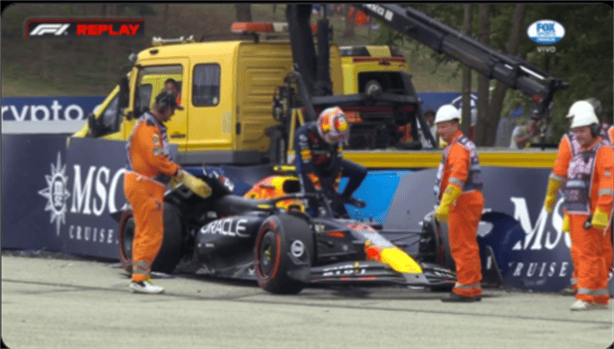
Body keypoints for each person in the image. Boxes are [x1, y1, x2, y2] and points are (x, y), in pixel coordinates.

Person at [124, 90, 211, 294]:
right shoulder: (149, 128)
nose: (172, 114)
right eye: (171, 110)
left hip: (145, 184)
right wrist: (177, 172)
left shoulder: (150, 125)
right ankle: (139, 279)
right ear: (163, 107)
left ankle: (139, 277)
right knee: (151, 233)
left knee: (145, 231)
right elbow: (155, 159)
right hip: (145, 185)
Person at [543, 101, 613, 311]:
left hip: (590, 212)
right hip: (576, 211)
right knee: (588, 253)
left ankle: (585, 294)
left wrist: (601, 211)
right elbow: (572, 182)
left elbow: (608, 187)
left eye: (582, 131)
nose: (577, 135)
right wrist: (566, 209)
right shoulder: (579, 151)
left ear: (593, 129)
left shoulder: (604, 151)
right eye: (575, 131)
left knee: (588, 254)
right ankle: (600, 295)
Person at [433, 104, 484, 302]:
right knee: (468, 244)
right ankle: (472, 286)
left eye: (444, 126)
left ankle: (465, 288)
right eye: (438, 127)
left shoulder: (458, 148)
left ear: (455, 125)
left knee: (461, 246)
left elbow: (457, 178)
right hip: (467, 199)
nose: (440, 131)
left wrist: (445, 203)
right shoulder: (462, 144)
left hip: (462, 201)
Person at [294, 106, 367, 217]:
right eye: (334, 137)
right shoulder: (303, 134)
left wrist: (334, 188)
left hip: (327, 162)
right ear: (323, 128)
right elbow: (306, 164)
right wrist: (318, 187)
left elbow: (337, 163)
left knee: (360, 171)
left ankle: (345, 197)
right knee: (312, 206)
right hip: (307, 167)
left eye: (338, 137)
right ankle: (310, 215)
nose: (336, 140)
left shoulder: (337, 135)